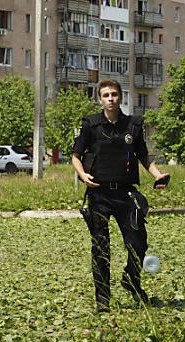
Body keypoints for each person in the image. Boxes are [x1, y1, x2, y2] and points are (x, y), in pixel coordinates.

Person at [72, 79, 169, 313]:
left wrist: (158, 175)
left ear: (121, 97)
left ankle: (131, 280)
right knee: (101, 248)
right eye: (105, 95)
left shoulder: (133, 126)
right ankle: (102, 300)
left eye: (114, 94)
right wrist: (83, 175)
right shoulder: (91, 125)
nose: (110, 99)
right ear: (100, 99)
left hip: (126, 195)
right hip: (99, 195)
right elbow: (75, 156)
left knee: (138, 243)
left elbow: (144, 156)